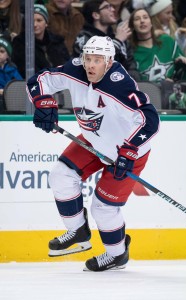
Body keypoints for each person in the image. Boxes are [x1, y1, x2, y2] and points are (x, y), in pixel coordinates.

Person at [26, 36, 160, 272]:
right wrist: (43, 102)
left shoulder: (119, 85)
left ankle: (117, 255)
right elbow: (38, 80)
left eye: (97, 60)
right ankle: (78, 230)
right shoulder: (76, 69)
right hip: (94, 140)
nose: (90, 65)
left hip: (127, 152)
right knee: (61, 176)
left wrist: (129, 150)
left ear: (109, 62)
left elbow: (150, 119)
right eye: (88, 58)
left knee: (103, 207)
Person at [73, 0, 140, 80]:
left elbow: (132, 67)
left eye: (112, 7)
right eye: (107, 7)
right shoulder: (84, 38)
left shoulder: (118, 36)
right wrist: (117, 41)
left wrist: (128, 81)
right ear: (96, 15)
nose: (113, 9)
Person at [128, 8, 186, 83]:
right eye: (137, 19)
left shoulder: (167, 41)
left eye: (145, 17)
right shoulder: (131, 52)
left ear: (151, 22)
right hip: (149, 93)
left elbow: (184, 74)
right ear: (132, 26)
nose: (142, 21)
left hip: (173, 91)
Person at [11, 4, 70, 79]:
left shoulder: (57, 42)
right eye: (31, 21)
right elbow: (23, 69)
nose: (35, 24)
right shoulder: (20, 43)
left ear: (46, 23)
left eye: (39, 20)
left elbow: (67, 64)